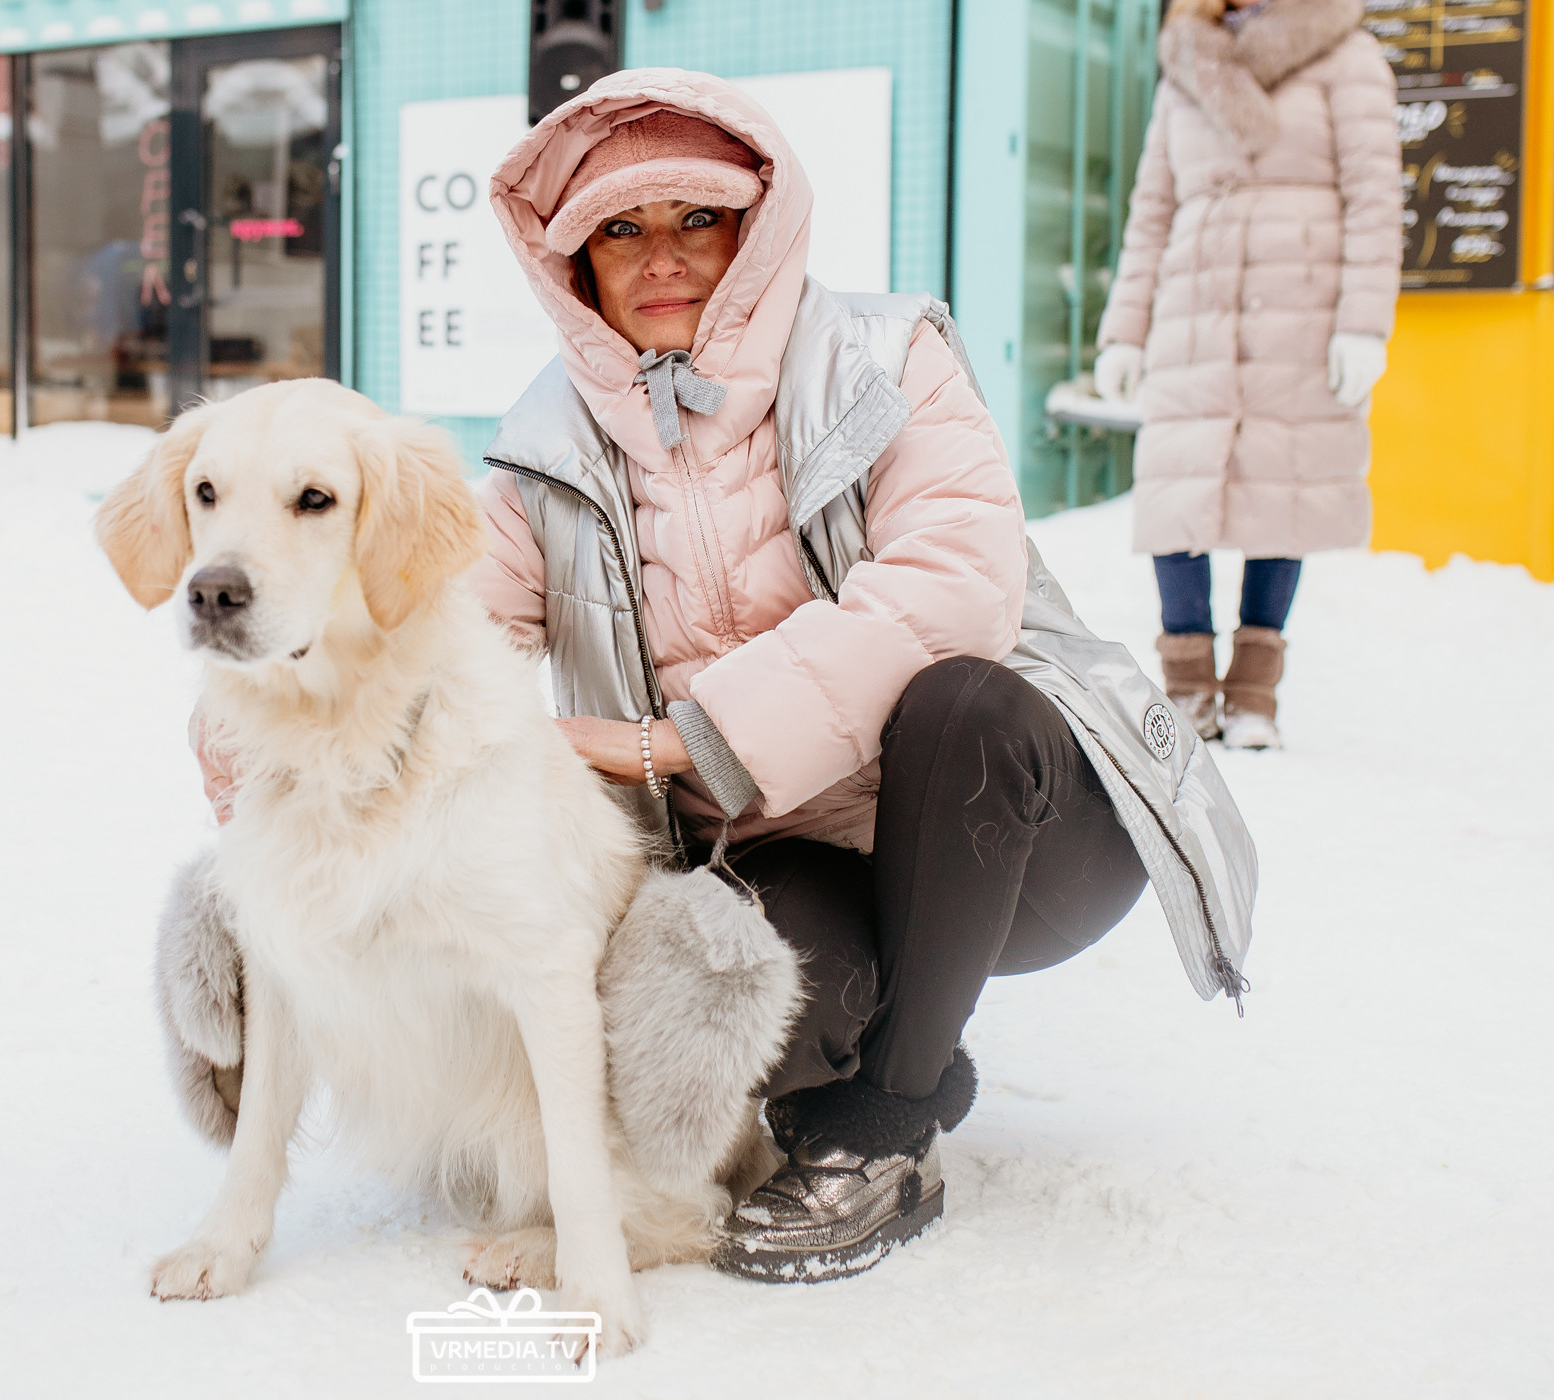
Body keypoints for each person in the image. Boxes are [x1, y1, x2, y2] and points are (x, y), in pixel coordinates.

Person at [196, 70, 1256, 1282]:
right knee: (720, 998)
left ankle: (887, 1133)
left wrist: (676, 742)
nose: (662, 257)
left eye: (698, 219)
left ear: (758, 230)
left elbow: (953, 585)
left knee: (966, 699)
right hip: (790, 849)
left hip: (1020, 830)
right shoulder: (547, 453)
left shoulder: (885, 357)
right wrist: (269, 723)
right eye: (621, 230)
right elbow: (423, 626)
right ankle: (897, 1044)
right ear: (575, 263)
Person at [1093, 0, 1402, 749]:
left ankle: (1254, 694)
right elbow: (1152, 213)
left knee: (1283, 487)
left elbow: (1374, 200)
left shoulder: (1347, 56)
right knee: (1175, 491)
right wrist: (1123, 333)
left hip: (1299, 308)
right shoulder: (1186, 64)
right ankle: (1189, 690)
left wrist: (1363, 323)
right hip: (1194, 310)